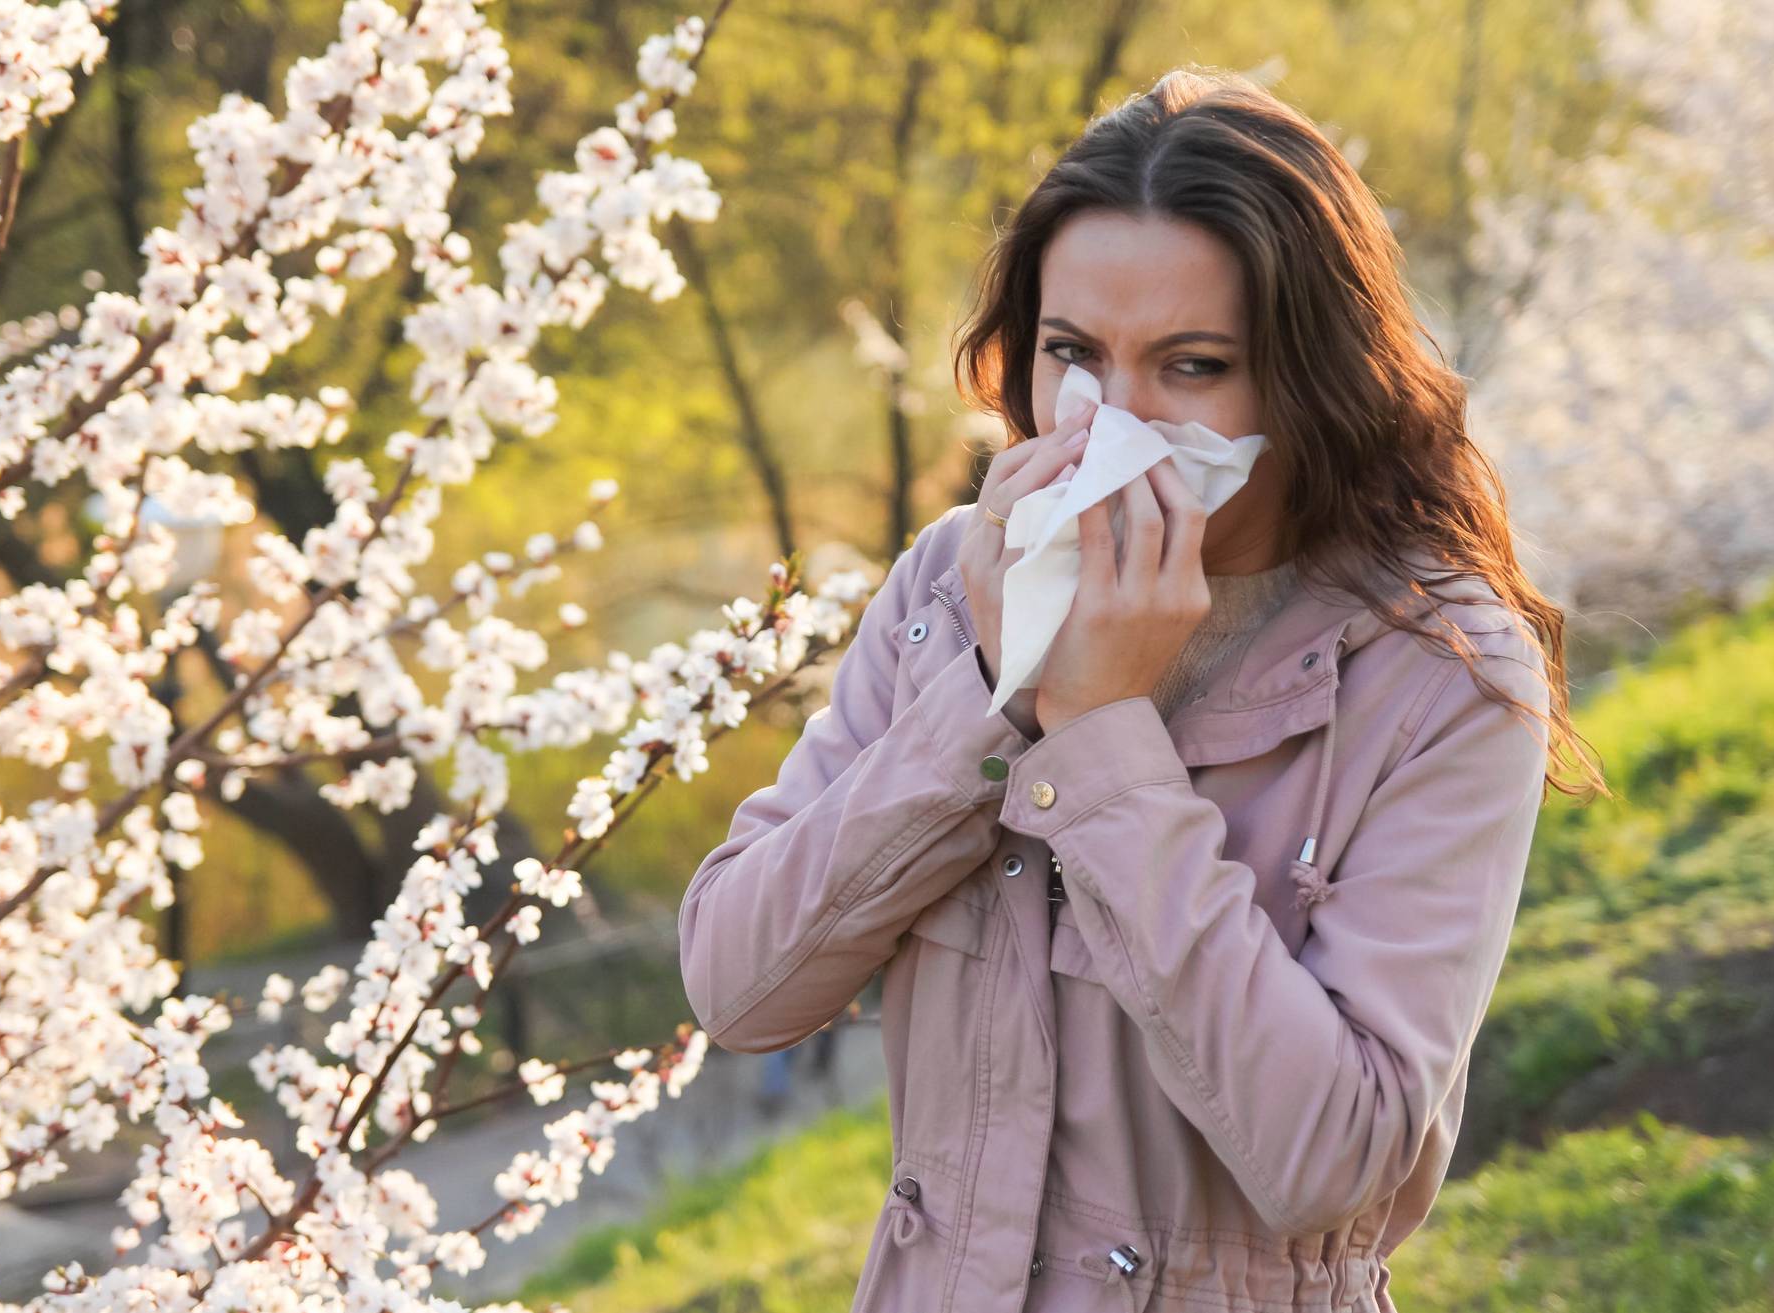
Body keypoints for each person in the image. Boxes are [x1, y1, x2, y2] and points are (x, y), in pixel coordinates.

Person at [678, 64, 1603, 1312]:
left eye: (1193, 365)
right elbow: (737, 982)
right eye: (1073, 354)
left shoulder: (1438, 669)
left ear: (1308, 378)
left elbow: (1335, 1158)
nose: (1114, 421)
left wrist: (1104, 736)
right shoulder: (955, 581)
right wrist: (996, 693)